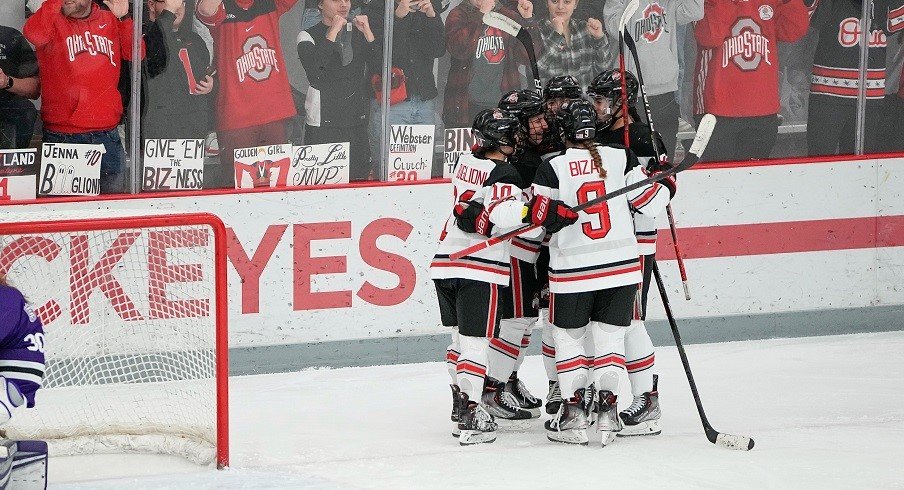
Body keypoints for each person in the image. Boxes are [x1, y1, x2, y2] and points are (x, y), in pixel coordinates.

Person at [433, 108, 576, 445]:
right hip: (477, 267)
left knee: (459, 341)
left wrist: (479, 217)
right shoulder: (504, 171)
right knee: (474, 343)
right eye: (511, 133)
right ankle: (471, 410)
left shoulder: (465, 163)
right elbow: (504, 214)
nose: (517, 137)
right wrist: (541, 210)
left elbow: (474, 212)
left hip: (444, 262)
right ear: (500, 139)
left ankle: (461, 403)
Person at [533, 98, 668, 446]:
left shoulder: (552, 168)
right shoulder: (621, 157)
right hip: (622, 269)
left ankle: (575, 414)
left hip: (573, 271)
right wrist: (666, 184)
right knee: (610, 340)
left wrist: (545, 216)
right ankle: (608, 411)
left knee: (569, 341)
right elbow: (651, 203)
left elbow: (536, 230)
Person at [588, 68, 675, 435]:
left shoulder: (642, 139)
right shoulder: (596, 136)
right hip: (605, 245)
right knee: (605, 323)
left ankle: (646, 400)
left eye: (602, 99)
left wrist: (661, 178)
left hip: (635, 243)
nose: (596, 107)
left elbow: (653, 201)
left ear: (623, 102)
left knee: (629, 321)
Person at [24, 0, 145, 194]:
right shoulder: (51, 17)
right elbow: (34, 34)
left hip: (107, 135)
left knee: (114, 211)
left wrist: (124, 18)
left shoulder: (110, 19)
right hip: (62, 137)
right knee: (64, 214)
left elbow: (137, 55)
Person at [196, 0, 298, 187]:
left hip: (274, 110)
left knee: (277, 187)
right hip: (236, 116)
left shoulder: (270, 3)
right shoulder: (221, 7)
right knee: (237, 188)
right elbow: (204, 10)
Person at [692, 0, 808, 162]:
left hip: (763, 111)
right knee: (720, 180)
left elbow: (794, 30)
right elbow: (709, 37)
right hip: (716, 111)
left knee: (754, 180)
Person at [604, 0, 703, 158]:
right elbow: (615, 29)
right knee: (636, 158)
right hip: (632, 94)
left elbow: (694, 12)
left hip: (665, 91)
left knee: (665, 156)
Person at [806, 0, 904, 156]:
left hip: (869, 97)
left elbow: (893, 21)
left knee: (862, 168)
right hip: (828, 94)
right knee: (819, 160)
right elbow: (806, 16)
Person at [298, 0, 380, 181]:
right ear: (319, 5)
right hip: (324, 123)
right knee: (322, 184)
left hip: (356, 121)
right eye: (336, 0)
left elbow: (379, 68)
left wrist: (368, 33)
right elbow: (315, 74)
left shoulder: (358, 31)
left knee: (358, 181)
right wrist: (332, 32)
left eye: (347, 0)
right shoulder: (307, 35)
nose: (344, 4)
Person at [364, 0, 445, 170]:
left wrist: (431, 16)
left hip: (423, 98)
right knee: (389, 168)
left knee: (422, 167)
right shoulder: (378, 7)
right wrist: (398, 17)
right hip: (392, 102)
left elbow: (438, 50)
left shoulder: (426, 7)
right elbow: (384, 57)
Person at [442, 0, 534, 128]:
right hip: (465, 105)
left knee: (502, 147)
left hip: (504, 102)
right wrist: (482, 15)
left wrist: (528, 20)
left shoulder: (507, 15)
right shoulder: (458, 14)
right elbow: (458, 50)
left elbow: (528, 56)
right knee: (468, 148)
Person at [143, 0, 214, 141]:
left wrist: (212, 84)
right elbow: (154, 52)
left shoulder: (195, 40)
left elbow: (209, 74)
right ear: (151, 5)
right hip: (159, 132)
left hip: (193, 129)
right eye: (170, 1)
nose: (177, 7)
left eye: (180, 2)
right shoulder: (144, 37)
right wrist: (167, 15)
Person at [535, 0, 610, 89]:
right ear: (546, 3)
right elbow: (535, 73)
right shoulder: (536, 32)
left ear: (575, 4)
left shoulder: (585, 29)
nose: (560, 7)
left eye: (567, 2)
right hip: (553, 101)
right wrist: (556, 36)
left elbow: (603, 71)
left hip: (583, 101)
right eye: (554, 1)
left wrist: (599, 37)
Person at [0, 24, 40, 149]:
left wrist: (6, 82)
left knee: (25, 109)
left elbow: (34, 89)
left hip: (7, 107)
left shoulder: (11, 37)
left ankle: (13, 166)